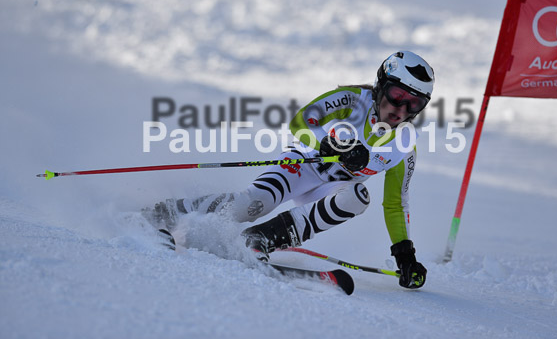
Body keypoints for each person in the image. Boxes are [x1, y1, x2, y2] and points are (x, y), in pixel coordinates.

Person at [144, 51, 433, 289]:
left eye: (414, 103)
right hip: (303, 165)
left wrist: (405, 255)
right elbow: (300, 121)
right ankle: (168, 211)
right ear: (382, 84)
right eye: (397, 95)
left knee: (358, 196)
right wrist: (333, 146)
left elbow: (396, 204)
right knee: (250, 205)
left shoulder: (405, 145)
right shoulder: (352, 100)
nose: (402, 109)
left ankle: (260, 239)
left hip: (331, 190)